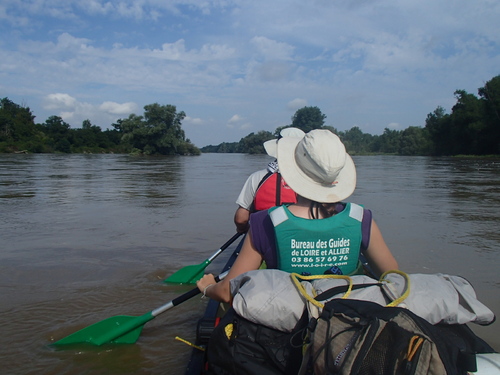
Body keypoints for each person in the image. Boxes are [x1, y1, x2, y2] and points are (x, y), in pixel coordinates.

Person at [200, 129, 398, 303]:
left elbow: (227, 293)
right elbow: (396, 282)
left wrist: (209, 287)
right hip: (344, 325)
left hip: (287, 329)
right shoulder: (362, 218)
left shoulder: (263, 223)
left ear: (292, 170)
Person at [234, 127, 305, 233]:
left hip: (264, 236)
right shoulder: (311, 181)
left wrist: (243, 230)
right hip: (298, 237)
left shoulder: (257, 177)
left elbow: (241, 219)